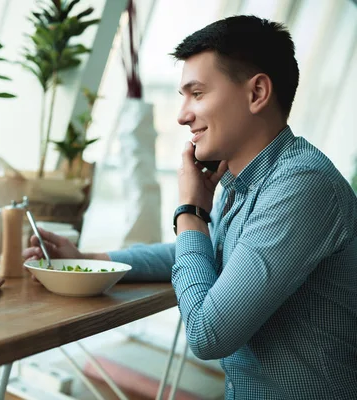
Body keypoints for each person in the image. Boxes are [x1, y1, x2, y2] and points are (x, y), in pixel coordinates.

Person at [23, 15, 357, 399]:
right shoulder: (251, 181)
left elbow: (206, 333)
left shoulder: (302, 187)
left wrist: (190, 212)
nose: (182, 114)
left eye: (196, 94)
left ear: (257, 93)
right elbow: (215, 249)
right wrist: (92, 258)